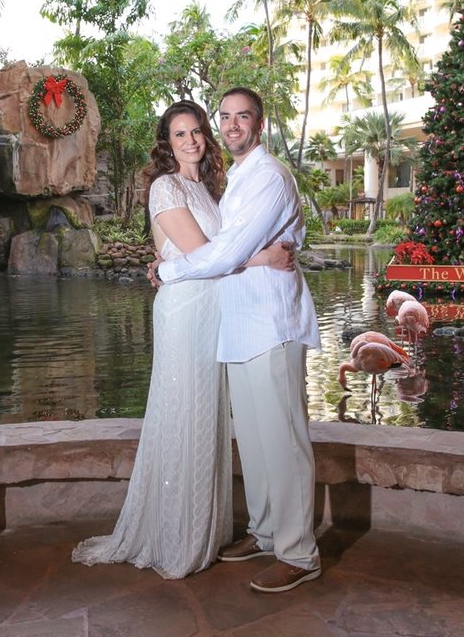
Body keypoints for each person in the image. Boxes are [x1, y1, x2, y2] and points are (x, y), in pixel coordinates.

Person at [72, 101, 292, 580]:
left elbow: (224, 249)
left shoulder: (209, 189)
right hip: (187, 311)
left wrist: (255, 256)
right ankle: (175, 535)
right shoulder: (165, 187)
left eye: (196, 131)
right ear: (166, 144)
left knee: (208, 416)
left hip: (217, 311)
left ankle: (204, 530)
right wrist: (266, 259)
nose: (190, 141)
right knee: (182, 411)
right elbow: (205, 254)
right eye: (179, 134)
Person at [155, 87, 322, 594]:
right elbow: (228, 250)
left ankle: (299, 552)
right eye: (223, 117)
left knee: (284, 440)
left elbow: (227, 251)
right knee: (254, 441)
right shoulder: (236, 180)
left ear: (259, 122)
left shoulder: (269, 176)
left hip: (271, 323)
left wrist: (169, 268)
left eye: (241, 117)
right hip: (238, 326)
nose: (230, 125)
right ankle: (266, 531)